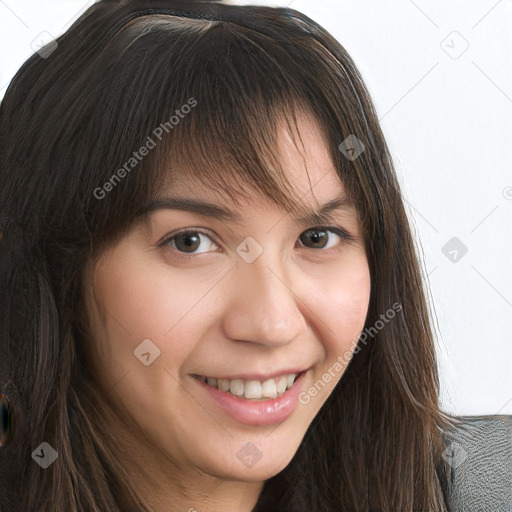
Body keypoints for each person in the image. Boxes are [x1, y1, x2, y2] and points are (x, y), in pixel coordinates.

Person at [0, 1, 458, 510]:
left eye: (317, 238)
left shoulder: (483, 488)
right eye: (190, 242)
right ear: (55, 270)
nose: (272, 324)